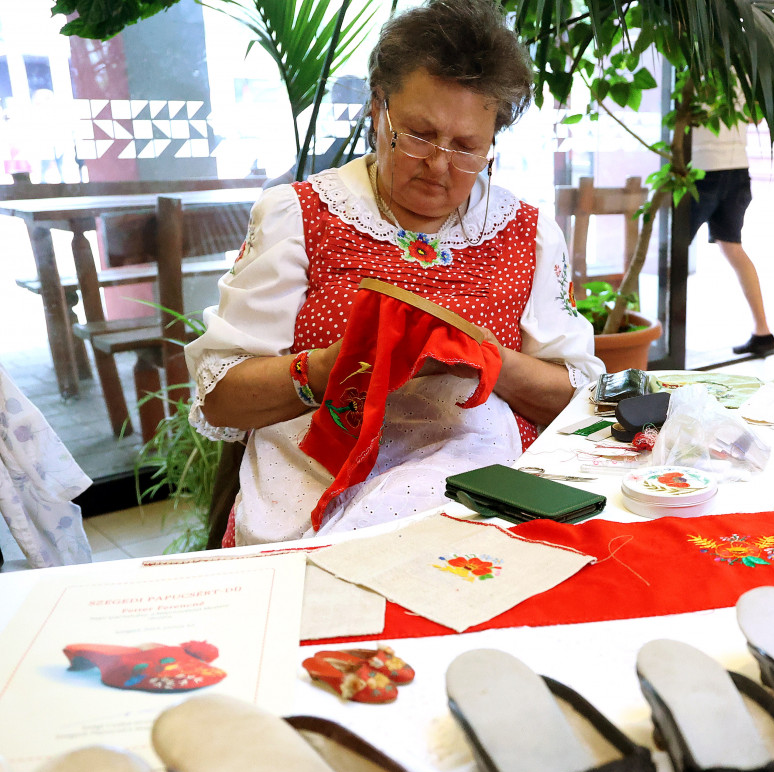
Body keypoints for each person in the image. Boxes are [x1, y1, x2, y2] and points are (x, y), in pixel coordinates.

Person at [185, 0, 604, 546]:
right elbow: (221, 397)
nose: (439, 165)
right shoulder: (301, 215)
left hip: (484, 500)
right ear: (378, 108)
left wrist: (485, 361)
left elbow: (579, 397)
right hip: (316, 486)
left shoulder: (527, 232)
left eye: (467, 148)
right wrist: (337, 367)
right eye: (419, 135)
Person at [689, 119, 774, 357]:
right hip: (737, 168)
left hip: (702, 165)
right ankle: (763, 332)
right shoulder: (744, 78)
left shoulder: (701, 78)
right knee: (732, 247)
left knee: (671, 250)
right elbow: (755, 116)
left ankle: (659, 342)